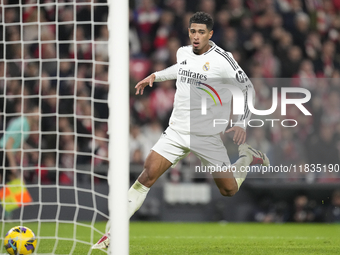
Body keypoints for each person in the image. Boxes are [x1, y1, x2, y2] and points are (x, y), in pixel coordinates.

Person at [92, 12, 269, 249]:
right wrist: (155, 75)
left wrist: (241, 122)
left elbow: (248, 89)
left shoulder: (223, 60)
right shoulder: (183, 52)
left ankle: (247, 157)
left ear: (210, 34)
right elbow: (181, 68)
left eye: (201, 32)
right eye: (193, 31)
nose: (196, 36)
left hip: (206, 136)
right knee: (147, 174)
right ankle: (111, 237)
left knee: (228, 190)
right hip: (177, 130)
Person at [0, 104, 40, 184]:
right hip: (3, 152)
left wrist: (32, 151)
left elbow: (19, 142)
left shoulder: (27, 125)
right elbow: (9, 143)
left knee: (15, 181)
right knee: (18, 180)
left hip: (6, 153)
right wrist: (12, 162)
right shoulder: (21, 123)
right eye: (37, 112)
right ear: (30, 113)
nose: (39, 115)